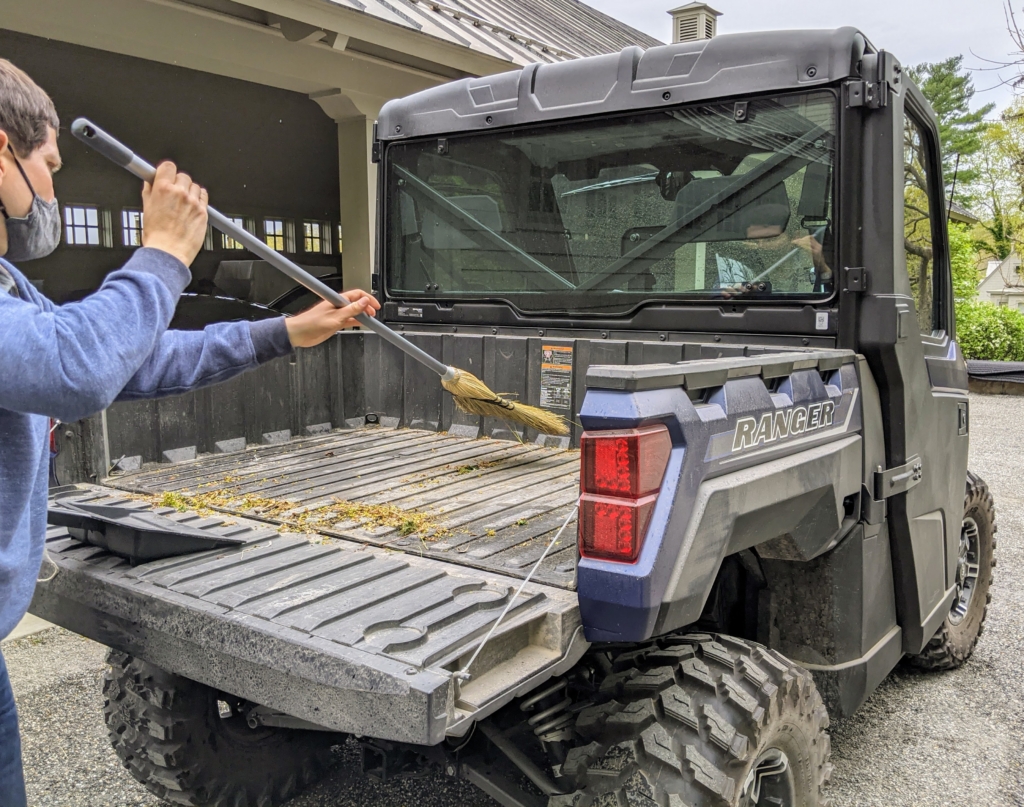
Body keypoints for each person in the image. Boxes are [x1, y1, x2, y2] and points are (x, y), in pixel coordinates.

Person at [0, 59, 380, 807]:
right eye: (47, 165)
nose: (51, 188)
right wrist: (165, 253)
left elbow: (130, 356)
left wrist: (282, 331)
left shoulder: (10, 287)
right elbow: (82, 365)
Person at [716, 222, 833, 298]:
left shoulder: (809, 259)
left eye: (769, 240)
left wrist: (822, 266)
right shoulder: (736, 266)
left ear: (794, 237)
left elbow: (834, 299)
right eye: (755, 241)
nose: (761, 247)